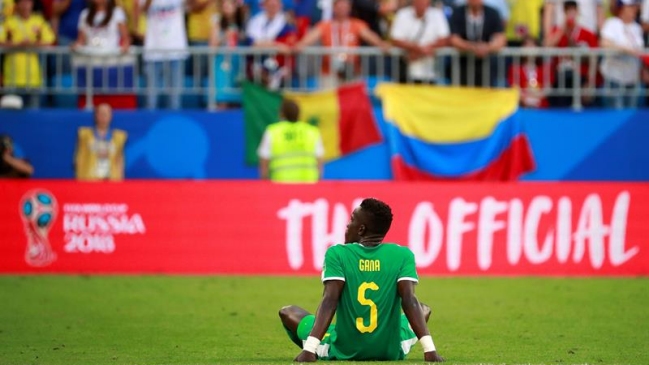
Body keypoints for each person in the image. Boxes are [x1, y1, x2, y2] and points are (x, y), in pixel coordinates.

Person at [279, 198, 444, 362]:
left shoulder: (337, 254)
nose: (347, 225)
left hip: (345, 350)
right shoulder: (403, 255)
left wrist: (309, 349)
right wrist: (430, 350)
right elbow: (409, 300)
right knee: (423, 309)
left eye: (351, 220)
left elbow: (330, 300)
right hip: (390, 351)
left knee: (288, 312)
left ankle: (315, 348)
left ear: (361, 229)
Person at [294, 0, 390, 87]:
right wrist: (300, 45)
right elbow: (309, 38)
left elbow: (370, 36)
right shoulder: (325, 25)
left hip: (352, 72)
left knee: (351, 102)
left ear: (349, 8)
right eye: (339, 6)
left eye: (345, 6)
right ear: (334, 8)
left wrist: (381, 44)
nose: (342, 9)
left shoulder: (357, 24)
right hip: (329, 73)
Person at [0, 0, 56, 108]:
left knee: (33, 115)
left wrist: (32, 44)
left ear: (32, 4)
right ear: (17, 4)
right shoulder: (8, 22)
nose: (26, 5)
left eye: (28, 2)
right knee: (11, 116)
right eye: (23, 2)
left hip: (33, 79)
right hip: (12, 79)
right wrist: (18, 45)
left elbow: (50, 40)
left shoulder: (38, 21)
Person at [257, 99, 324, 183]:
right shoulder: (312, 131)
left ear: (282, 114)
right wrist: (319, 180)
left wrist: (264, 180)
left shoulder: (273, 131)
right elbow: (319, 160)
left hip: (280, 185)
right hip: (308, 184)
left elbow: (264, 159)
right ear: (299, 113)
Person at [138, 0, 189, 109]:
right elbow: (141, 11)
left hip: (176, 51)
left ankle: (173, 125)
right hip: (153, 52)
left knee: (175, 100)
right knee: (151, 99)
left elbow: (193, 5)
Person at [390, 0, 450, 84]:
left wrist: (419, 51)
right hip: (405, 70)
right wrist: (421, 49)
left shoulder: (437, 14)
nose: (421, 4)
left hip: (431, 72)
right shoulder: (402, 14)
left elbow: (444, 39)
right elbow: (396, 39)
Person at [449, 0, 506, 87]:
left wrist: (487, 47)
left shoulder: (492, 13)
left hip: (487, 67)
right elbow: (453, 39)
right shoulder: (458, 13)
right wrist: (472, 47)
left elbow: (501, 39)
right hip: (462, 66)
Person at [599, 0, 645, 109]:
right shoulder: (612, 23)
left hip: (633, 78)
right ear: (622, 8)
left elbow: (640, 50)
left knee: (631, 115)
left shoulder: (636, 28)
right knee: (615, 114)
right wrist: (626, 50)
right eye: (630, 7)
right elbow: (605, 43)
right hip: (615, 78)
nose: (634, 10)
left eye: (635, 7)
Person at [74, 103, 128, 180]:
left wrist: (119, 180)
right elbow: (79, 159)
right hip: (90, 180)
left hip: (111, 180)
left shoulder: (119, 138)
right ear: (96, 115)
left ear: (111, 116)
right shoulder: (84, 135)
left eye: (106, 114)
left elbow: (120, 161)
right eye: (101, 113)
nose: (104, 116)